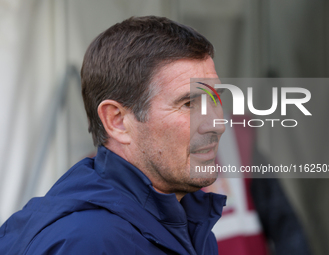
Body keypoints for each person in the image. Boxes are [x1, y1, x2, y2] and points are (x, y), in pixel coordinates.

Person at [0, 16, 226, 255]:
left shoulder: (186, 221)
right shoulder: (90, 242)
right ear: (117, 121)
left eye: (216, 99)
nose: (217, 124)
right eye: (189, 103)